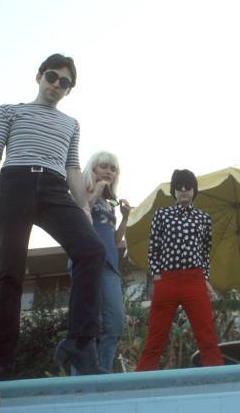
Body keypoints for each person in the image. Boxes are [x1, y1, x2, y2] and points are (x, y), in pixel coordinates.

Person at [0, 54, 106, 384]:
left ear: (70, 89)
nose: (56, 84)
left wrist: (83, 207)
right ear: (39, 76)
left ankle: (80, 344)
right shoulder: (10, 111)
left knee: (91, 251)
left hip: (55, 188)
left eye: (64, 82)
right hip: (15, 183)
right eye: (52, 77)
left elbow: (72, 168)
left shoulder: (71, 124)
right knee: (8, 271)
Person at [135, 169, 224, 371]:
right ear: (173, 190)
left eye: (188, 186)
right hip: (167, 279)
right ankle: (139, 382)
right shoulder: (161, 215)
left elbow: (205, 251)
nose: (183, 190)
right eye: (179, 186)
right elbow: (153, 248)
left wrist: (205, 278)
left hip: (194, 279)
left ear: (194, 190)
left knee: (206, 334)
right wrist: (157, 275)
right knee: (156, 336)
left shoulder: (204, 218)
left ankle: (219, 380)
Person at [69, 151, 130, 374]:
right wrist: (95, 192)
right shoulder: (81, 190)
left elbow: (114, 240)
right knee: (87, 322)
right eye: (103, 166)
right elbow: (78, 218)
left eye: (113, 169)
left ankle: (101, 374)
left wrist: (125, 218)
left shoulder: (110, 201)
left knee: (114, 323)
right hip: (87, 262)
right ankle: (79, 379)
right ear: (92, 168)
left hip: (110, 264)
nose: (109, 172)